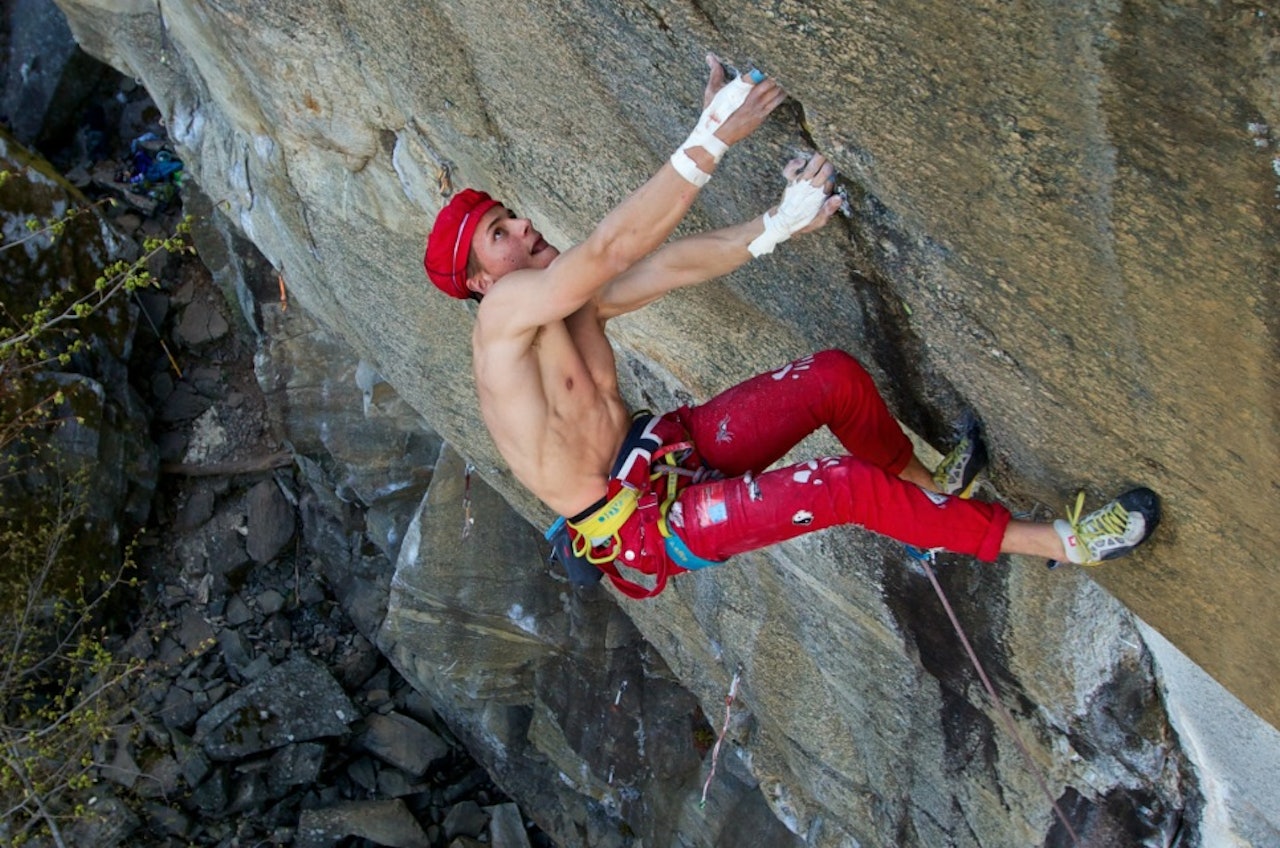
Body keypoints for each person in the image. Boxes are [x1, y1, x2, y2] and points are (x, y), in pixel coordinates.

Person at [422, 56, 1159, 598]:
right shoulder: (503, 319)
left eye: (509, 214)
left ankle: (932, 495)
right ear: (482, 282)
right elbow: (612, 247)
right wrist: (707, 140)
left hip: (668, 452)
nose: (521, 225)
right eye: (499, 233)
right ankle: (1062, 544)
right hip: (650, 520)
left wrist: (775, 225)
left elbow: (668, 266)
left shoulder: (560, 305)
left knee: (832, 379)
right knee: (840, 487)